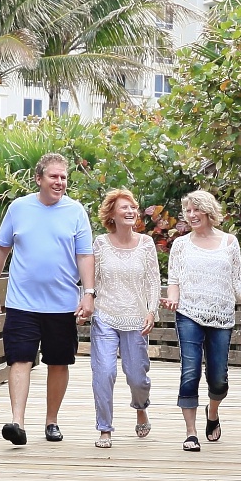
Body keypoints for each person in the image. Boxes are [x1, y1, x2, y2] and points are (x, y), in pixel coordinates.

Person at [0, 152, 95, 446]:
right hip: (22, 303)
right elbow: (0, 248)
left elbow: (85, 255)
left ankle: (51, 421)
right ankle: (17, 422)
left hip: (62, 304)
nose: (59, 182)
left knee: (58, 362)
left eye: (63, 177)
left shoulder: (76, 212)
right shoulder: (19, 208)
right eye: (54, 177)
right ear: (39, 179)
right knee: (19, 359)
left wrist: (89, 293)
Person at [162, 190, 241, 452]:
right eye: (188, 211)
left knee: (218, 377)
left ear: (209, 212)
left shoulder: (229, 243)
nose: (191, 215)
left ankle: (213, 412)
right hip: (188, 313)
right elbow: (174, 280)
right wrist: (173, 299)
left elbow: (238, 283)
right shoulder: (180, 245)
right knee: (190, 372)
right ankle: (191, 433)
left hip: (221, 316)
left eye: (196, 210)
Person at [89, 189, 159, 449]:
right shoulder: (100, 243)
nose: (130, 212)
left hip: (136, 319)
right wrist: (86, 302)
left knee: (136, 377)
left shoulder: (146, 243)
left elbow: (153, 280)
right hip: (105, 315)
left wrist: (151, 311)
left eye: (133, 207)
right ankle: (105, 428)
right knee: (104, 372)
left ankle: (141, 407)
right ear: (112, 214)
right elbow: (91, 279)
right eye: (124, 208)